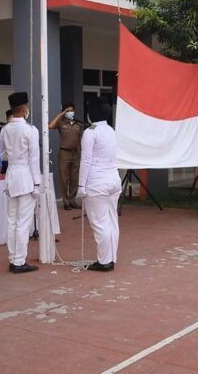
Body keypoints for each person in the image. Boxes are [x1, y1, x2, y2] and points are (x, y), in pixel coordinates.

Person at [77, 97, 122, 272]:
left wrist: (81, 186)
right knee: (112, 221)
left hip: (96, 182)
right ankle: (111, 258)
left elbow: (86, 160)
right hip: (113, 180)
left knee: (100, 224)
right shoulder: (111, 130)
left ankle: (104, 261)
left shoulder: (90, 132)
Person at [0, 92, 41, 274]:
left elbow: (2, 155)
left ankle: (13, 258)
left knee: (12, 221)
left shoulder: (5, 129)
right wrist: (38, 184)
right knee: (23, 222)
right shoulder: (30, 130)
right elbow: (34, 159)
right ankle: (19, 261)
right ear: (25, 109)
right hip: (25, 178)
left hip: (11, 176)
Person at [49, 103, 84, 210]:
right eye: (68, 111)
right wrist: (61, 114)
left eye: (71, 110)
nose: (70, 112)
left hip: (76, 153)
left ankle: (72, 200)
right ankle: (66, 202)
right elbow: (50, 126)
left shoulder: (78, 124)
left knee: (74, 178)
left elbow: (82, 139)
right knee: (64, 178)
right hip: (64, 153)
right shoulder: (61, 122)